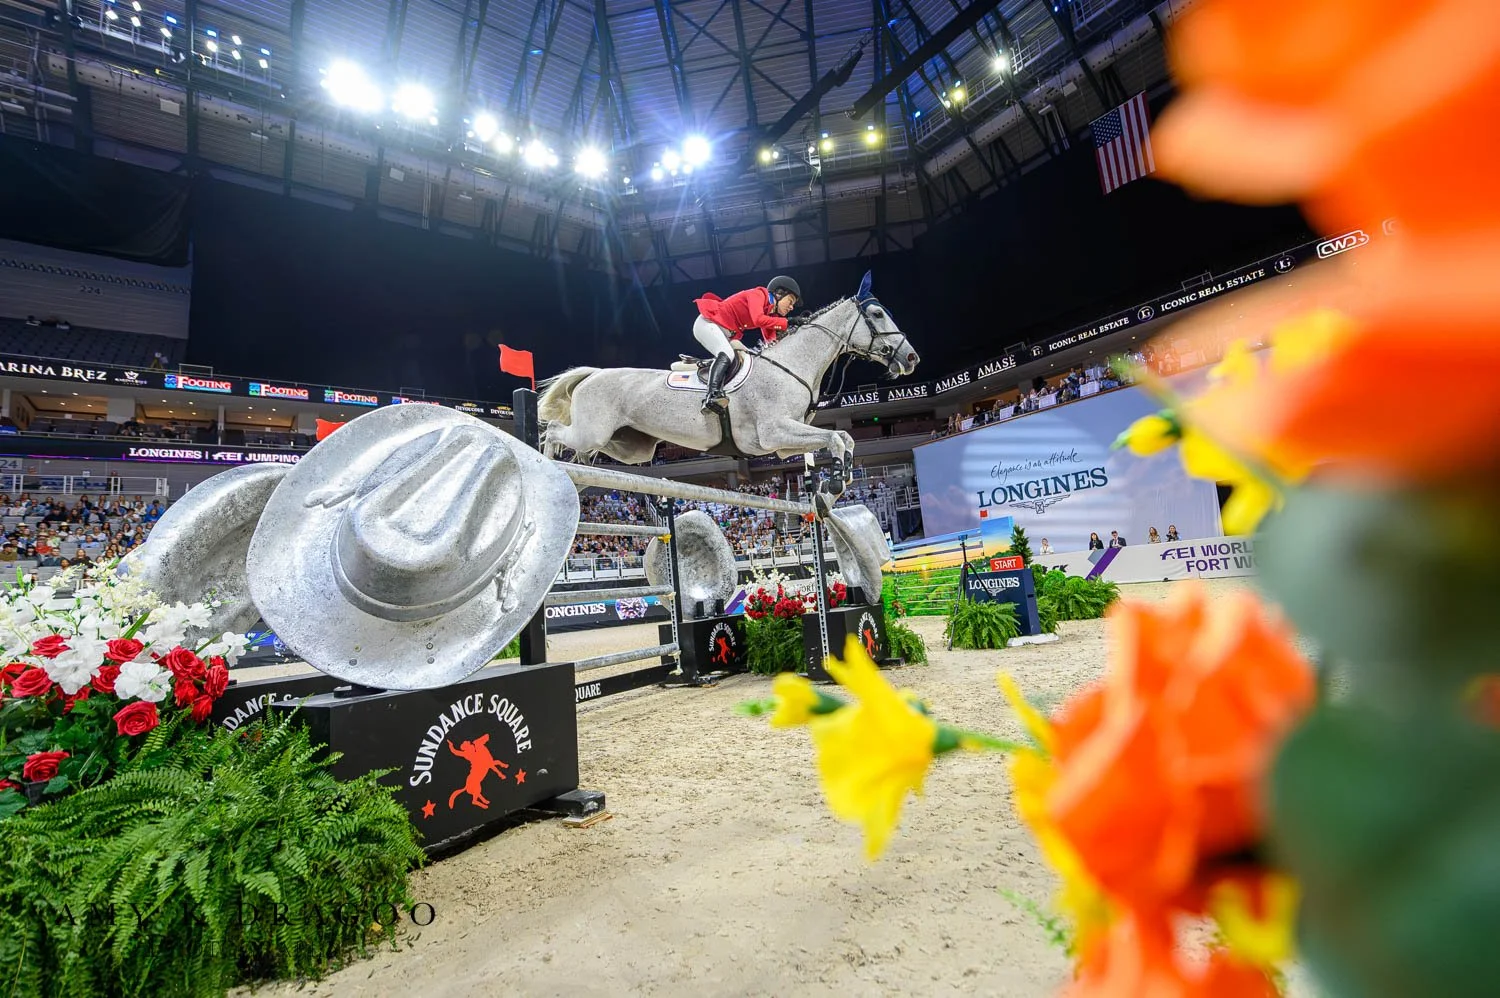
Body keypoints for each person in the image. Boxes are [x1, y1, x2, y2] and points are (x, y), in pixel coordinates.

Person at [692, 275, 801, 412]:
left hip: (724, 332)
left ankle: (710, 367)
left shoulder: (770, 313)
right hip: (708, 322)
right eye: (790, 301)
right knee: (727, 354)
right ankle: (711, 396)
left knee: (744, 356)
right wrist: (788, 321)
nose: (791, 307)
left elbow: (772, 342)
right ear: (779, 294)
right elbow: (758, 319)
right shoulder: (758, 294)